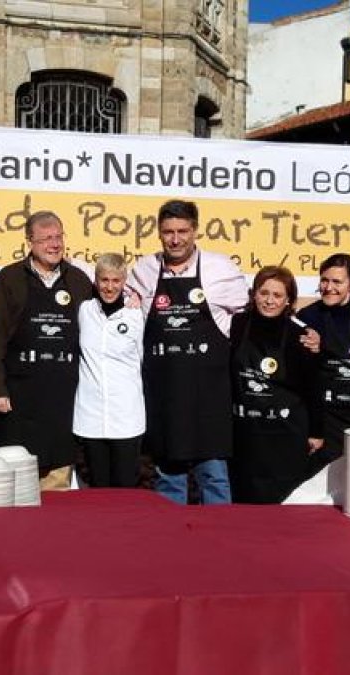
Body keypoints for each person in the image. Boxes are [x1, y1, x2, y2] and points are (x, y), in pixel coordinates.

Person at [126, 199, 246, 505]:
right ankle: (170, 532)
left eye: (182, 231)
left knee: (214, 474)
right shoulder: (143, 270)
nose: (175, 239)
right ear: (159, 232)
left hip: (210, 392)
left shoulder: (221, 269)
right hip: (165, 391)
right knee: (168, 474)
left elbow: (248, 321)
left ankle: (219, 530)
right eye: (168, 232)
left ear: (195, 231)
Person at [0, 211, 93, 490]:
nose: (54, 245)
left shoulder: (79, 280)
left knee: (57, 478)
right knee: (14, 479)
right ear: (29, 242)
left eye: (58, 237)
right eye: (46, 239)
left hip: (63, 395)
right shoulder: (10, 278)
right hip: (18, 395)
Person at [229, 266, 324, 503]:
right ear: (254, 294)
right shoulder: (237, 325)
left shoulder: (301, 335)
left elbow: (313, 387)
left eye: (277, 295)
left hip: (285, 432)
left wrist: (316, 432)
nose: (269, 301)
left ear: (288, 300)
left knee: (282, 502)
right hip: (245, 431)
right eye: (264, 293)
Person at [73, 253, 145, 488]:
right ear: (95, 281)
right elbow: (71, 265)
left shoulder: (137, 315)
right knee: (98, 490)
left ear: (124, 282)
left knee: (125, 490)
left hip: (126, 419)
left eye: (116, 281)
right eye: (104, 280)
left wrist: (139, 296)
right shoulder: (85, 310)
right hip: (91, 418)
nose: (110, 287)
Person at [297, 253, 350, 460]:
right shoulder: (307, 316)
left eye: (337, 282)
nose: (329, 287)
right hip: (326, 414)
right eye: (324, 280)